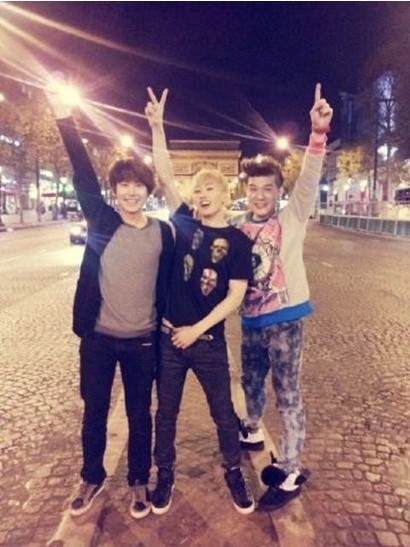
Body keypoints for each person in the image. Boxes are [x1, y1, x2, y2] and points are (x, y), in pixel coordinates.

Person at [46, 85, 174, 520]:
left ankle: (139, 479)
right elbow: (83, 173)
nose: (131, 192)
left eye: (138, 185)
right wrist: (64, 117)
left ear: (148, 190)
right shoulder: (101, 220)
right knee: (94, 413)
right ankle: (92, 476)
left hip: (142, 342)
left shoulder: (162, 233)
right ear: (115, 190)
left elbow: (175, 281)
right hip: (98, 340)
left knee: (141, 416)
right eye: (124, 185)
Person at [145, 88, 255, 515]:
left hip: (207, 342)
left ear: (225, 193)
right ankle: (165, 474)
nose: (202, 194)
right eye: (197, 189)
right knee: (165, 414)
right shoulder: (184, 222)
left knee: (224, 414)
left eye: (210, 188)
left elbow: (236, 295)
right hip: (170, 338)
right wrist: (157, 127)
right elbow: (164, 174)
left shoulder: (238, 241)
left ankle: (233, 471)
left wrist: (198, 330)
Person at [233, 83, 333, 510]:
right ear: (246, 191)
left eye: (268, 189)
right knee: (251, 382)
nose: (260, 195)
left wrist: (317, 134)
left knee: (288, 393)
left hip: (286, 319)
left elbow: (308, 180)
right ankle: (252, 428)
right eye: (254, 188)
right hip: (250, 321)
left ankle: (290, 469)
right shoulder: (237, 228)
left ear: (278, 191)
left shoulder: (292, 218)